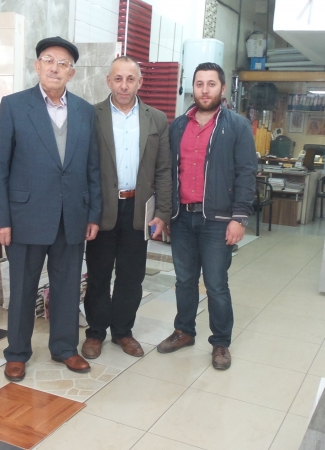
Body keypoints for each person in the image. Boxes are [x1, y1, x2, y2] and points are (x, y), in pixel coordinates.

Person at [0, 36, 102, 382]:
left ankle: (65, 348)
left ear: (72, 73)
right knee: (23, 289)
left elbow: (92, 167)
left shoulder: (84, 111)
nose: (55, 68)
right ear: (37, 66)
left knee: (67, 287)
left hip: (72, 217)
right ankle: (17, 353)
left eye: (63, 63)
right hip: (25, 216)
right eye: (49, 60)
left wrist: (93, 214)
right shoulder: (14, 106)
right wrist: (0, 220)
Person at [156, 62, 256, 370]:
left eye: (211, 84)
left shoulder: (237, 126)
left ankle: (220, 343)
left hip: (218, 220)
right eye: (199, 84)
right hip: (182, 218)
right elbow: (167, 172)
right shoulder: (178, 126)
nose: (205, 90)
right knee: (184, 280)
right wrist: (165, 213)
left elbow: (246, 172)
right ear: (193, 88)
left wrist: (239, 218)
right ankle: (184, 331)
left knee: (215, 284)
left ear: (222, 89)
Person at [81, 56, 172, 359]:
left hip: (138, 210)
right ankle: (95, 332)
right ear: (108, 81)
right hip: (102, 209)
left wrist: (162, 213)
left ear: (139, 82)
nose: (124, 85)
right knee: (98, 274)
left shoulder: (156, 119)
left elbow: (163, 170)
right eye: (118, 79)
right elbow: (83, 168)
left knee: (131, 277)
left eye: (130, 79)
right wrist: (87, 211)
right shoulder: (91, 116)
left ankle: (122, 331)